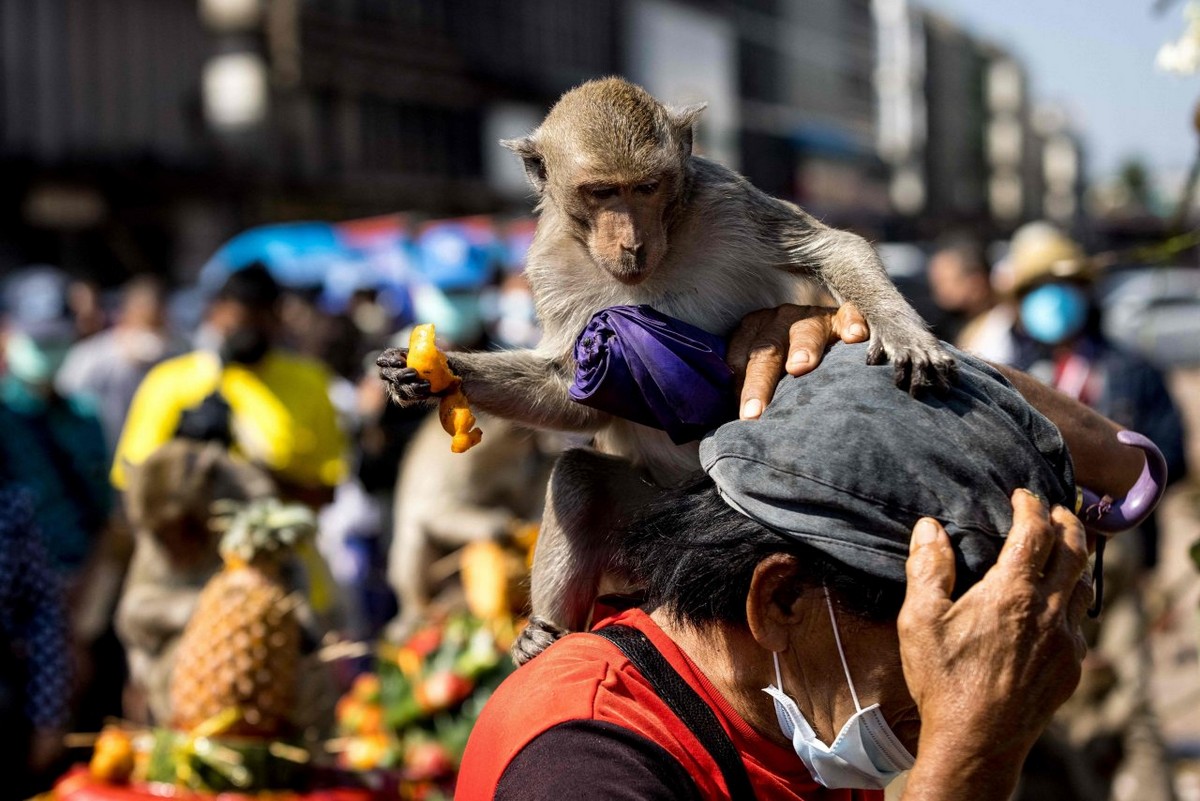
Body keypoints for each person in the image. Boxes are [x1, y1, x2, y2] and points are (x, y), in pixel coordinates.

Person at [457, 304, 1150, 800]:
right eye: (947, 642)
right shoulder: (585, 758)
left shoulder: (805, 720)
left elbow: (1129, 472)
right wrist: (970, 754)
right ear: (781, 598)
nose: (955, 687)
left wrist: (881, 345)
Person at [112, 264, 348, 508]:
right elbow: (131, 481)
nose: (252, 330)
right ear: (216, 313)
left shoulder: (309, 380)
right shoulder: (170, 381)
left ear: (277, 318)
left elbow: (327, 491)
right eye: (243, 319)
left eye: (262, 317)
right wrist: (182, 455)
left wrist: (254, 478)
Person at [56, 275, 184, 453]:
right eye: (144, 315)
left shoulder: (179, 357)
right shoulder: (93, 356)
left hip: (162, 463)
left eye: (155, 320)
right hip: (105, 459)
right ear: (126, 314)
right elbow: (66, 400)